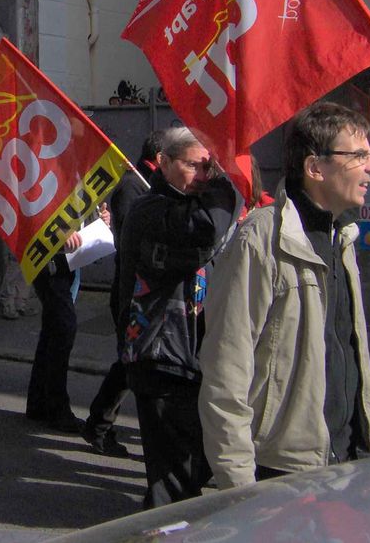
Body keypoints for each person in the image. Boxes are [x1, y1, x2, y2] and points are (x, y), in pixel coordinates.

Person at [199, 102, 370, 489]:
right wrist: (238, 484)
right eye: (360, 155)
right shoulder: (261, 238)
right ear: (315, 168)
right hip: (284, 475)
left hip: (348, 461)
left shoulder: (343, 236)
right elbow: (225, 369)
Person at [120, 127, 239, 507]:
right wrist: (229, 180)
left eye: (209, 168)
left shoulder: (186, 202)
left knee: (193, 463)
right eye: (195, 166)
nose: (203, 176)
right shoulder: (150, 209)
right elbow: (206, 228)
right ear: (166, 163)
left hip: (190, 354)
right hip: (160, 354)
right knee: (173, 477)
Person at [82, 130, 162, 457]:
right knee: (130, 364)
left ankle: (99, 424)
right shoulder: (132, 186)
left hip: (144, 291)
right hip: (131, 291)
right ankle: (99, 426)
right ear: (160, 157)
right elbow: (133, 238)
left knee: (132, 363)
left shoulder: (148, 185)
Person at [26, 204, 111, 434]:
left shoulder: (78, 175)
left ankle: (38, 402)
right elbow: (34, 208)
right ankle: (56, 409)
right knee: (63, 328)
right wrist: (59, 230)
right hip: (51, 261)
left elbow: (81, 210)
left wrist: (99, 220)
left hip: (70, 262)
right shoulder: (51, 170)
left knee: (53, 329)